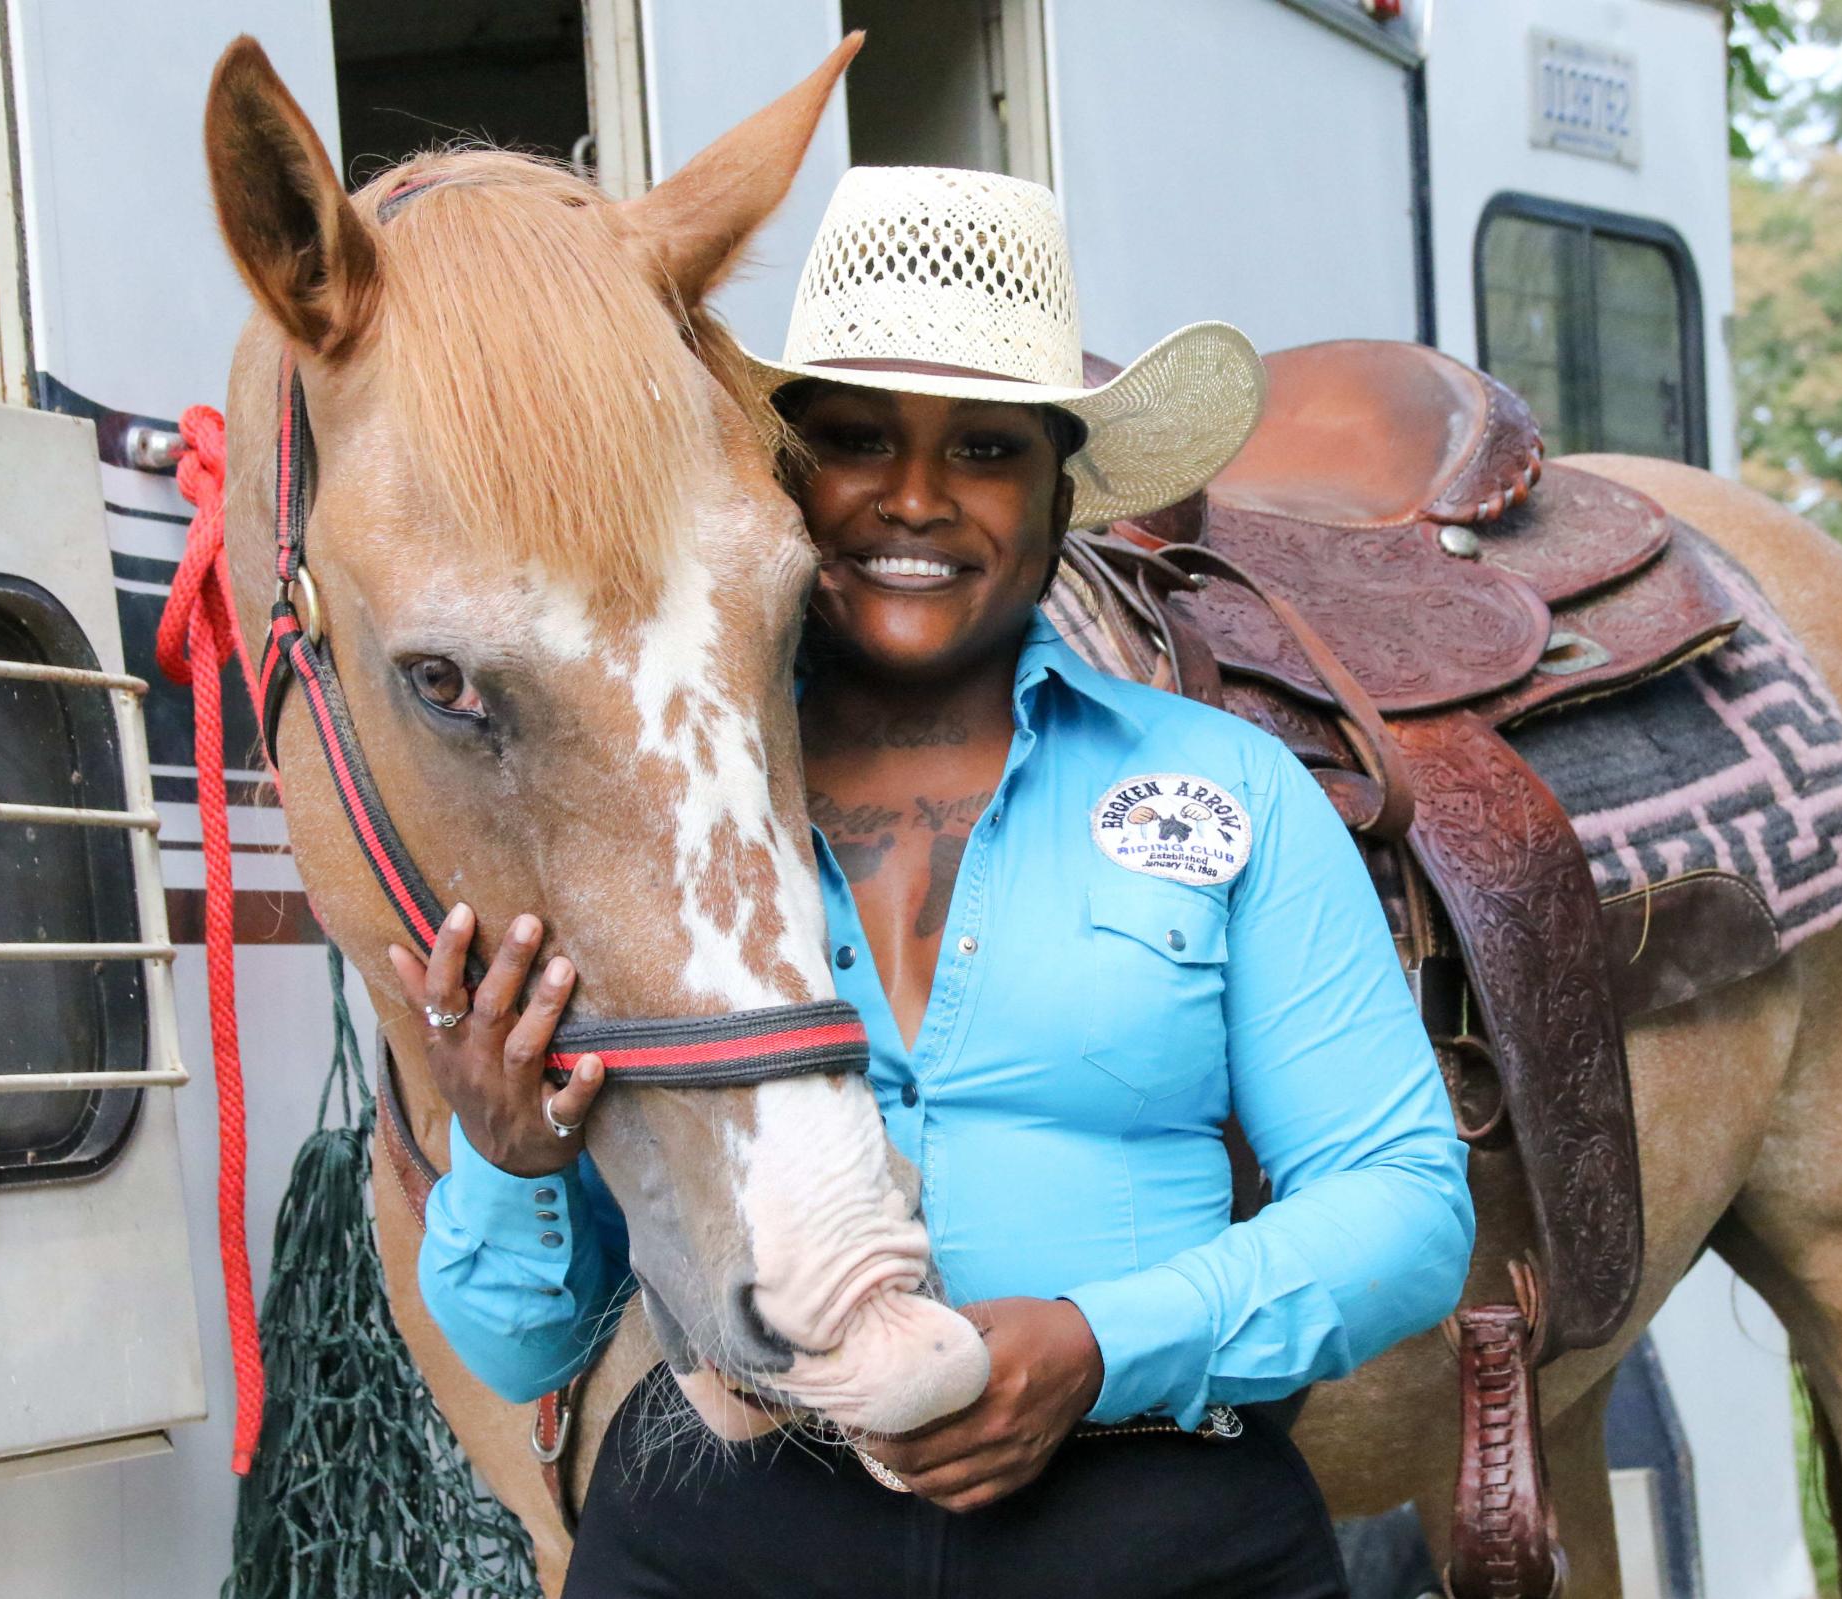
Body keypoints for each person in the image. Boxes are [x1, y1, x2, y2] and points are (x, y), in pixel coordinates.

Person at [394, 167, 1474, 1599]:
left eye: (981, 449)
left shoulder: (1229, 791)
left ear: (1058, 494)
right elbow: (523, 1346)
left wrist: (1097, 1347)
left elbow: (1406, 1209)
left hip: (1158, 1527)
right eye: (854, 440)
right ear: (781, 473)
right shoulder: (647, 814)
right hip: (726, 1532)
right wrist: (511, 1159)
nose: (914, 498)